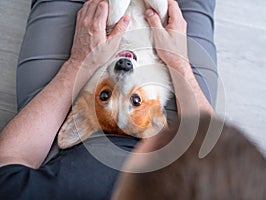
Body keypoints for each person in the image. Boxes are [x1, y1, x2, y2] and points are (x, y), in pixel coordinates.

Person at [0, 0, 218, 199]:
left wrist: (77, 64)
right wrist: (179, 64)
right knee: (189, 7)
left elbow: (8, 160)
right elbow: (215, 163)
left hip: (66, 124)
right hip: (163, 125)